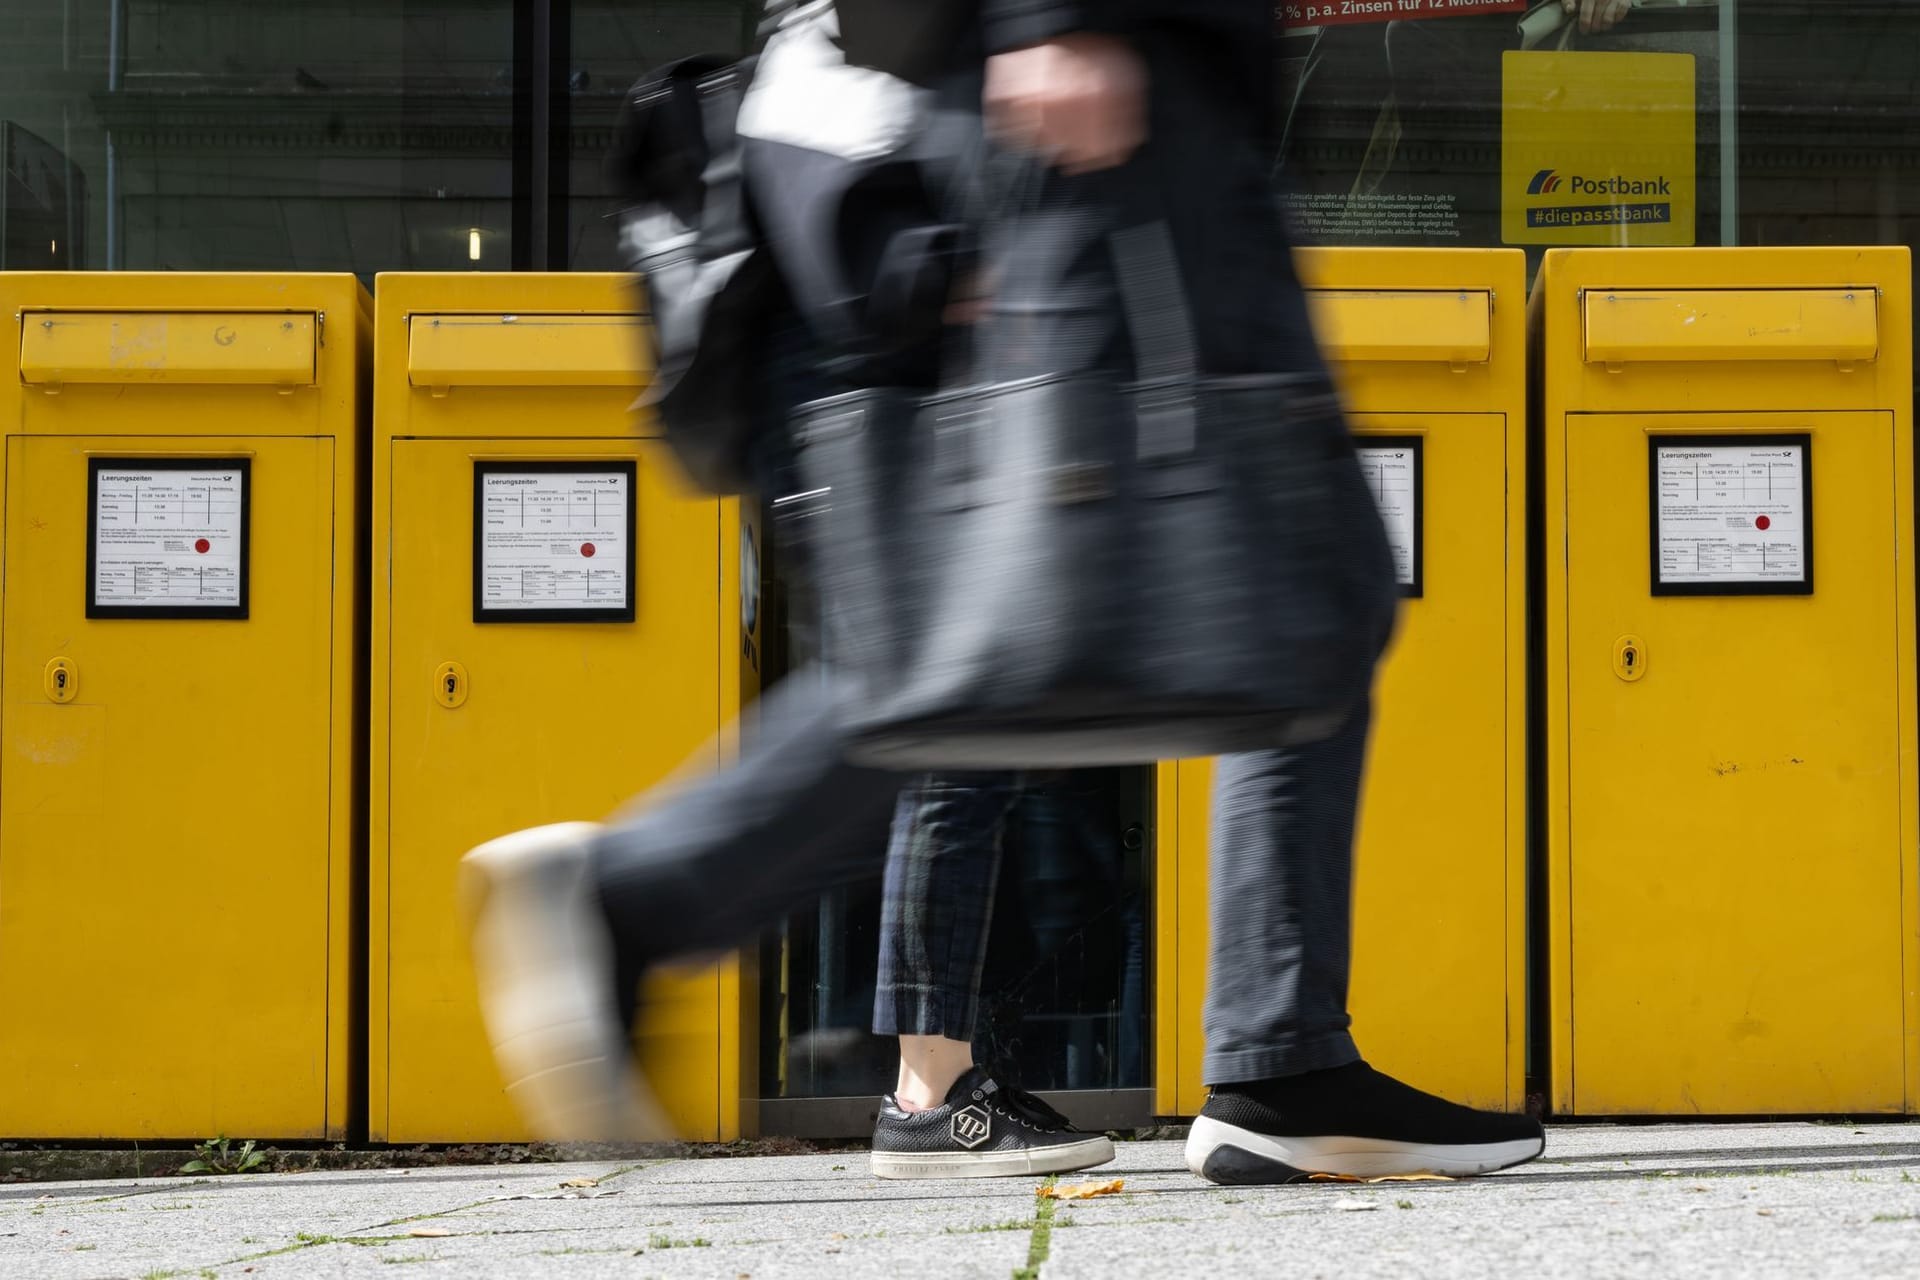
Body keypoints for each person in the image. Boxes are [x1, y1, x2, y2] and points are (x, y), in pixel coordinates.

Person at [460, 0, 1547, 1185]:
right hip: (1116, 85)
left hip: (1116, 86)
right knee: (1281, 584)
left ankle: (643, 894)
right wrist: (1055, 17)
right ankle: (1273, 1060)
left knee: (1059, 622)